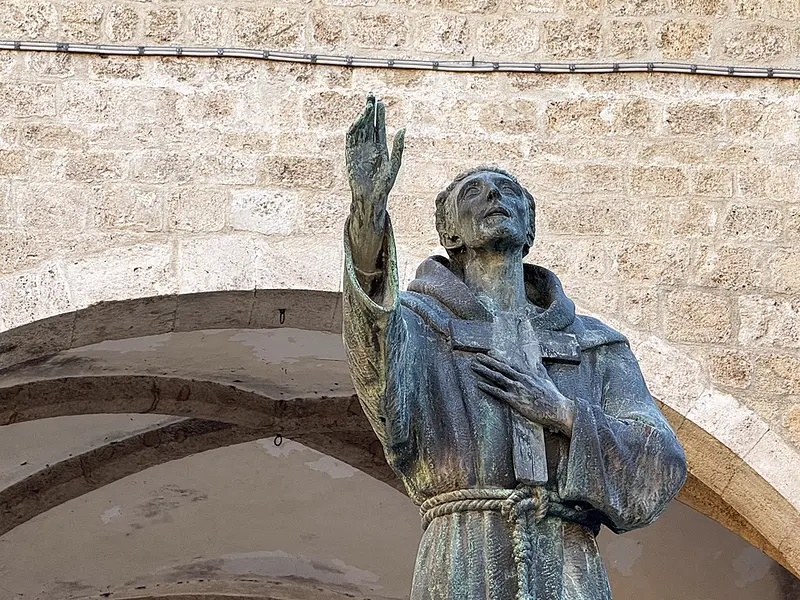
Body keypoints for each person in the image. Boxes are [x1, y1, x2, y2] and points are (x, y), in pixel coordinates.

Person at [342, 95, 687, 600]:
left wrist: (565, 414)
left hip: (567, 561)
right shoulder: (419, 328)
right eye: (474, 192)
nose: (493, 197)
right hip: (462, 552)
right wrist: (368, 216)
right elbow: (373, 354)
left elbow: (661, 464)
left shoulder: (594, 345)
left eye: (508, 192)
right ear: (449, 232)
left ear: (529, 227)